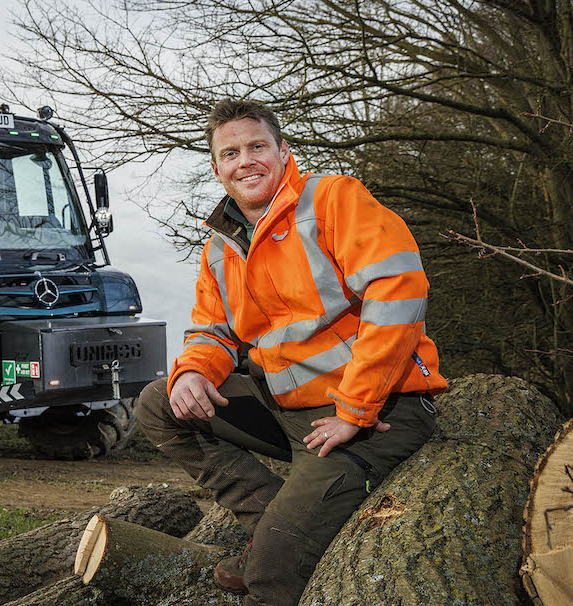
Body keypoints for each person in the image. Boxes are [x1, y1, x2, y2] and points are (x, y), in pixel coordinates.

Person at [137, 99, 447, 606]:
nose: (245, 161)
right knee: (160, 401)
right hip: (291, 414)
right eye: (230, 153)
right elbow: (214, 331)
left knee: (270, 576)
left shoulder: (332, 199)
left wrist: (355, 410)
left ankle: (274, 549)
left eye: (257, 147)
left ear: (283, 152)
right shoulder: (219, 248)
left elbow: (400, 289)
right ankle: (267, 518)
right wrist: (193, 371)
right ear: (217, 169)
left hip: (376, 412)